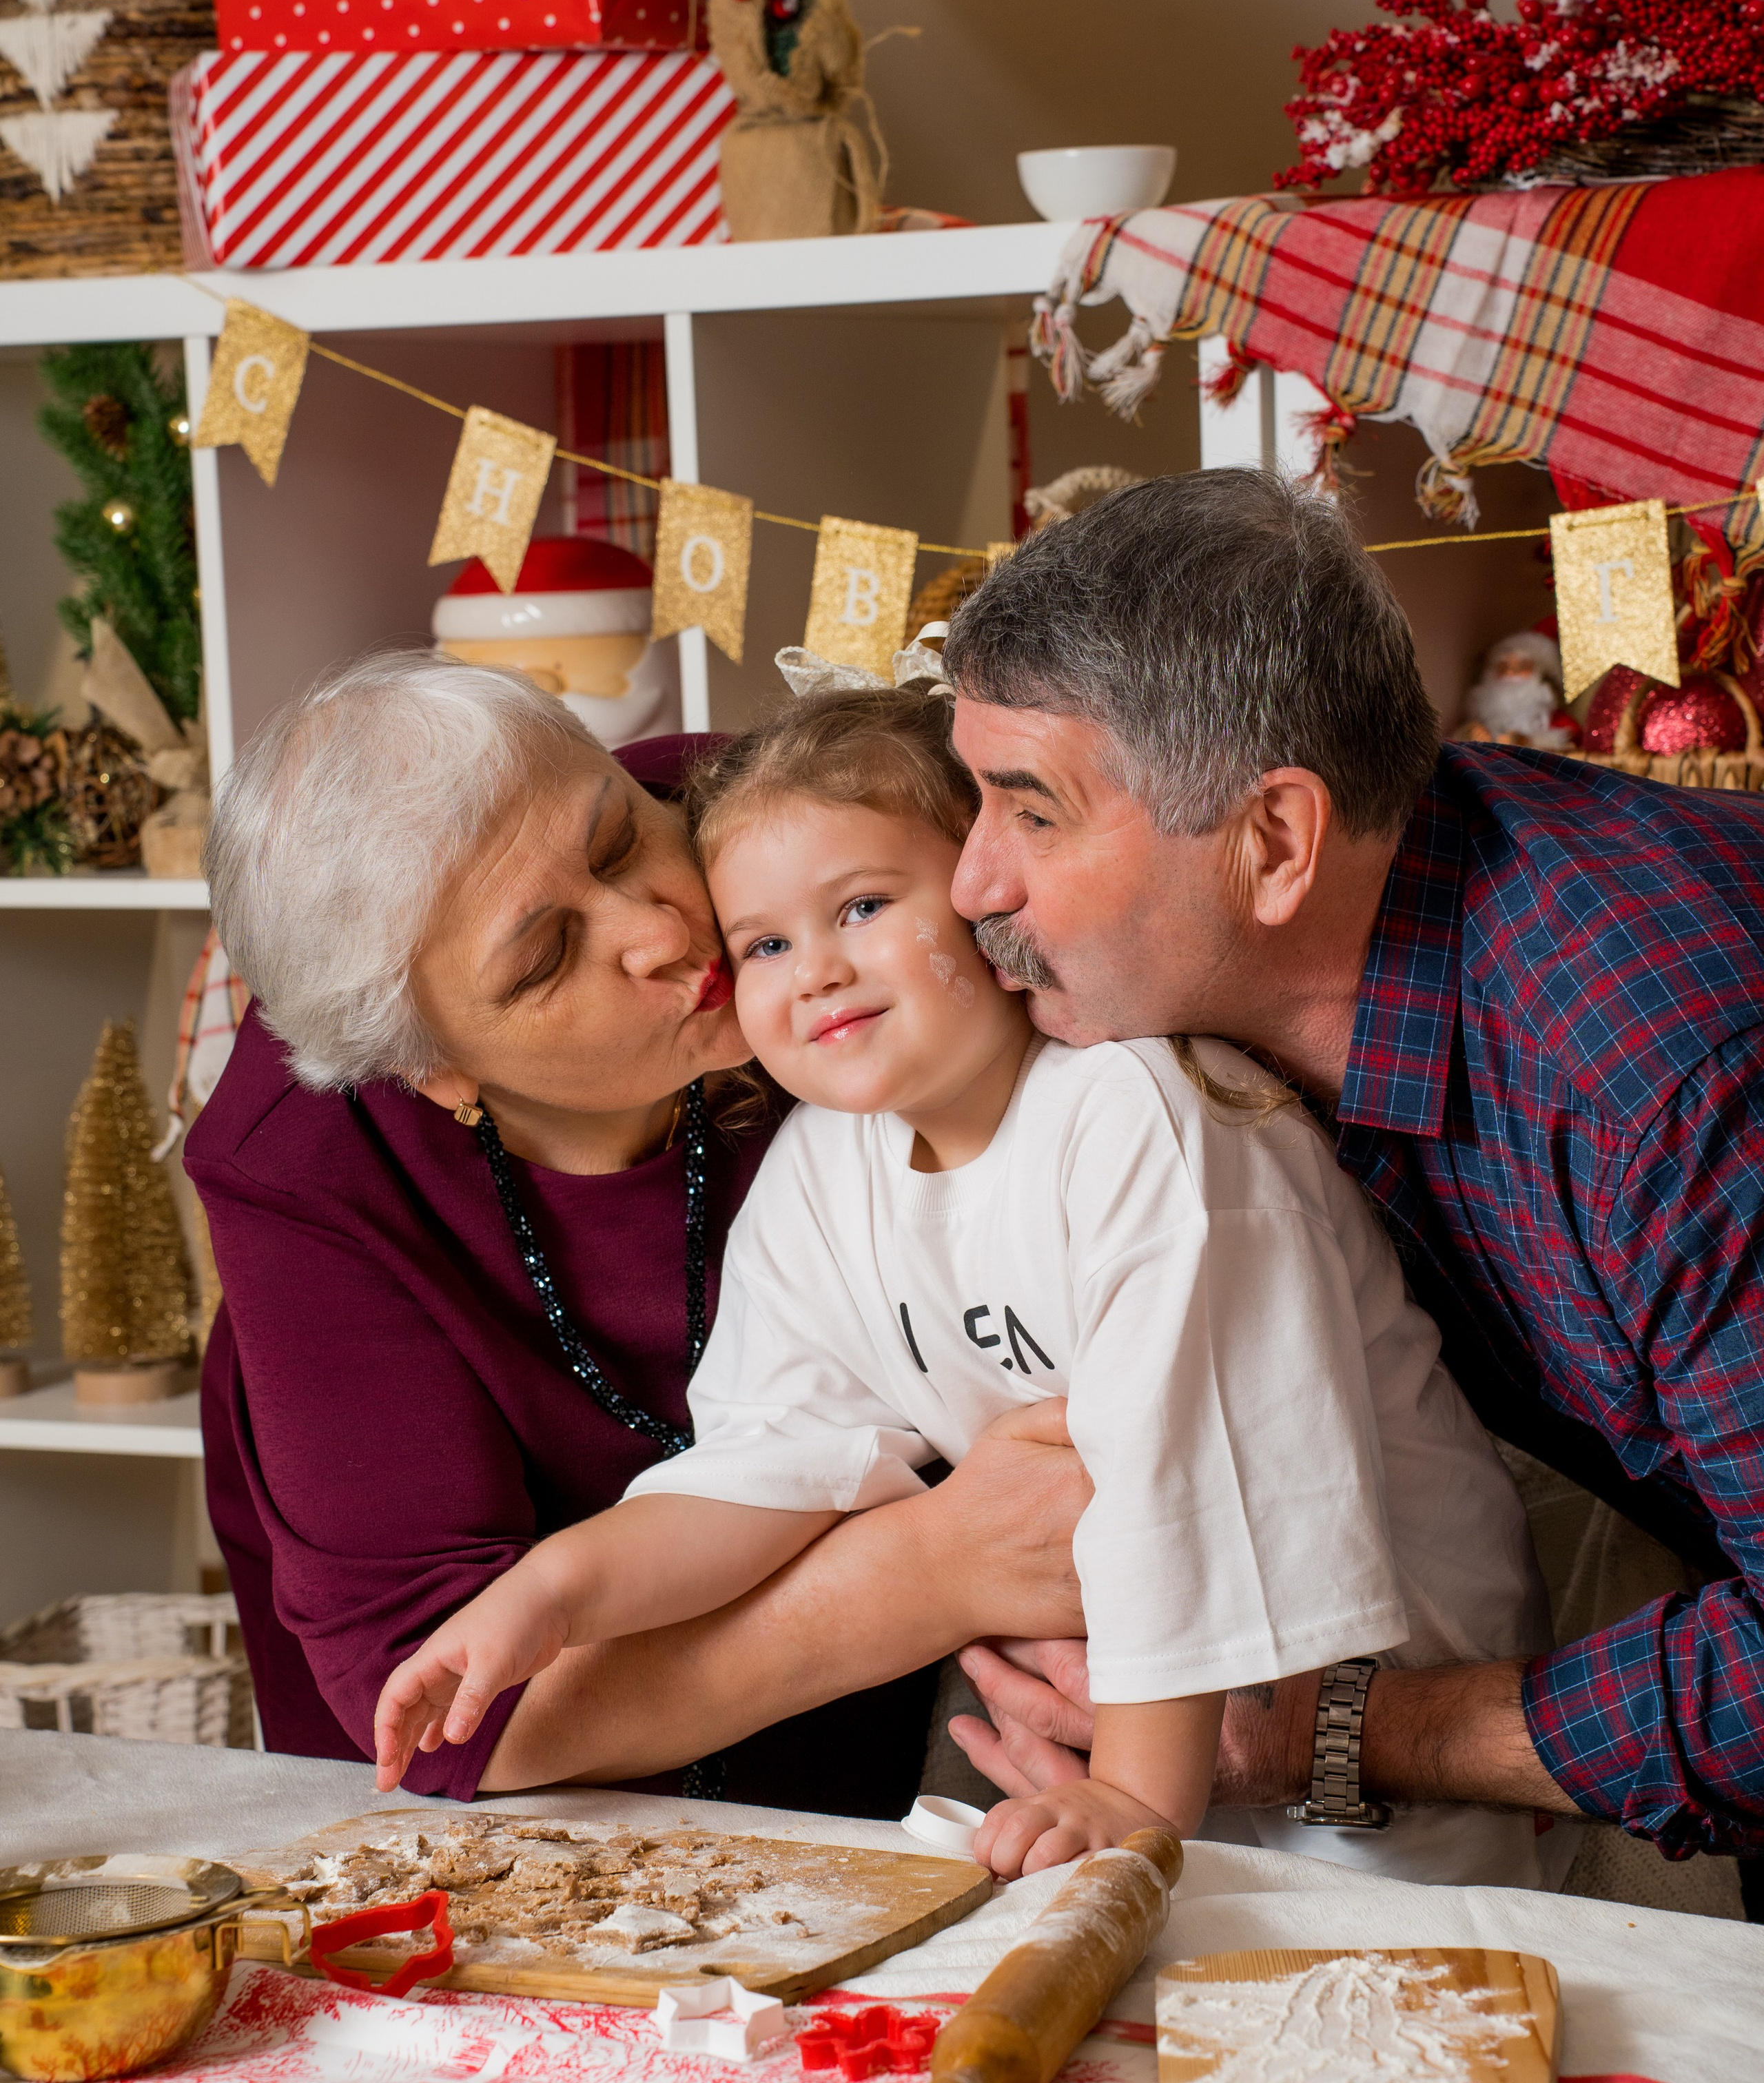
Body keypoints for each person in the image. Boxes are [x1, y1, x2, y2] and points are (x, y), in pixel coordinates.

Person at [375, 681, 1554, 1886]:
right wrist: (556, 1593)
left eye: (866, 906)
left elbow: (1183, 1482)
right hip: (1147, 1723)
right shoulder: (823, 1173)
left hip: (1382, 1724)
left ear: (986, 895)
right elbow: (765, 1467)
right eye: (766, 943)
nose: (817, 971)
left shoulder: (1139, 1115)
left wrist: (1137, 1798)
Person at [935, 466, 1764, 1891]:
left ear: (1272, 842)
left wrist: (1341, 1735)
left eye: (1034, 814)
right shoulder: (1273, 978)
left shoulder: (1654, 1080)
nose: (969, 885)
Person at [187, 649, 1086, 1806]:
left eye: (621, 839)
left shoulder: (797, 831)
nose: (662, 931)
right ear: (435, 1072)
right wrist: (942, 1568)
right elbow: (455, 1723)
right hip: (552, 1775)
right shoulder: (303, 1165)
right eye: (550, 955)